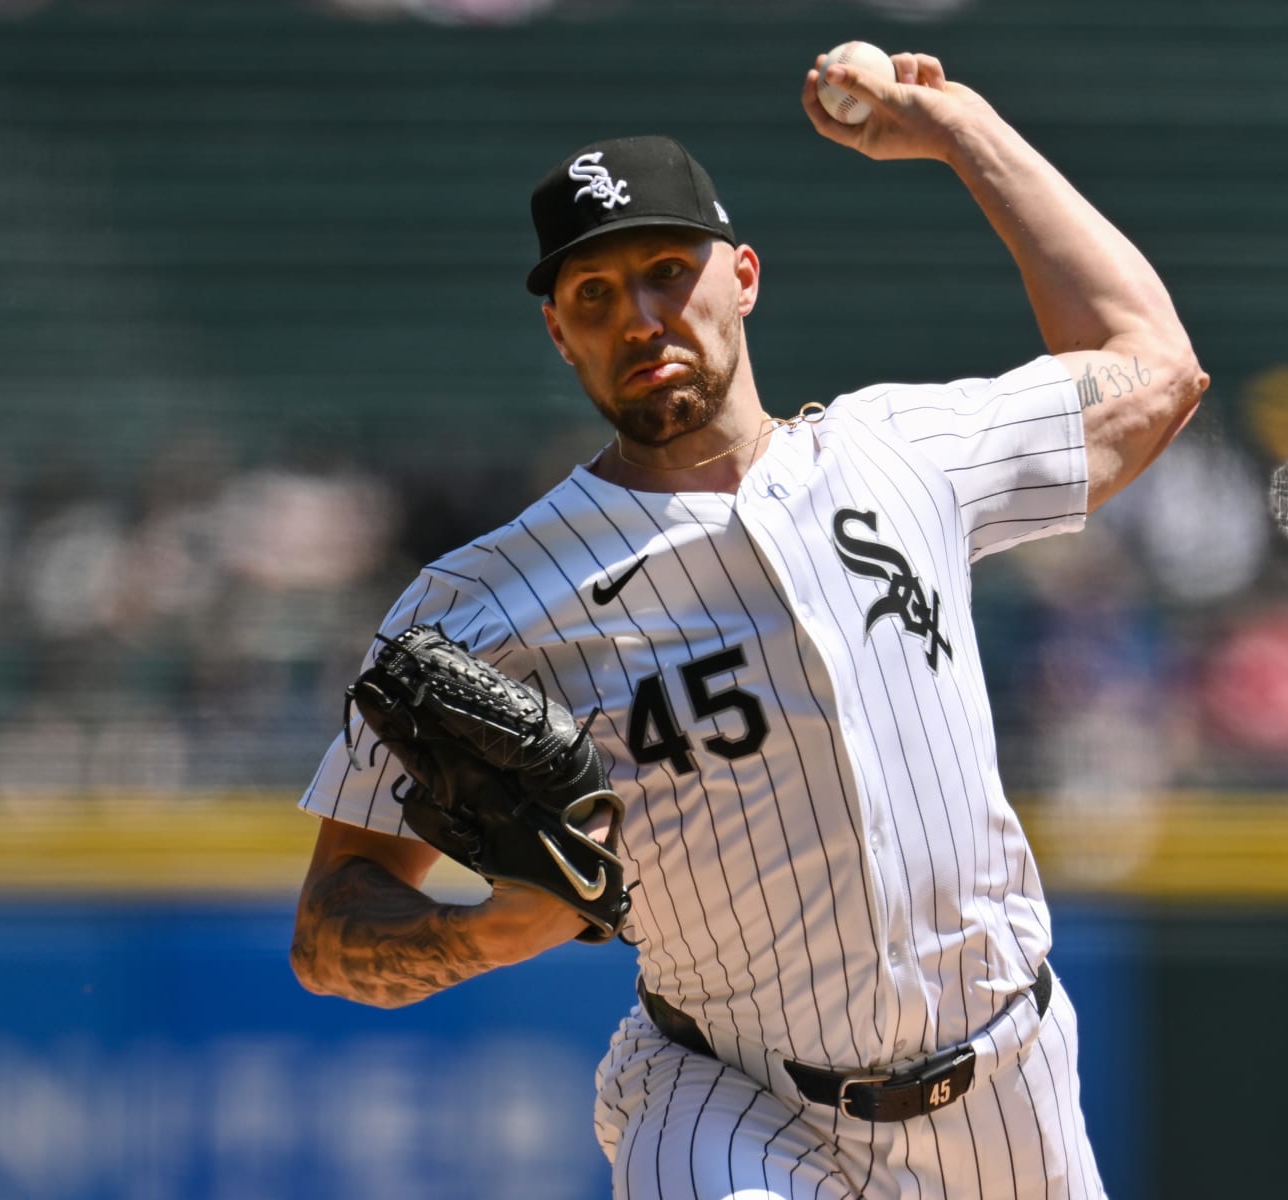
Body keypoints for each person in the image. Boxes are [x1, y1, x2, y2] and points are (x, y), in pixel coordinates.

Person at [290, 47, 1206, 1200]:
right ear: (559, 336)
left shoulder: (901, 453)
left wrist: (960, 128)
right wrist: (484, 933)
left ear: (745, 278)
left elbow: (1156, 372)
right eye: (595, 295)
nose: (641, 315)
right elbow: (328, 927)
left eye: (670, 270)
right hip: (729, 1097)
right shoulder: (477, 604)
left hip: (1007, 1083)